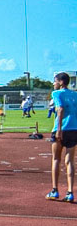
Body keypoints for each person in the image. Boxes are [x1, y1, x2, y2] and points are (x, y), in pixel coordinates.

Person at [47, 72, 77, 202]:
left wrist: (58, 129)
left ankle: (55, 190)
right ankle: (70, 192)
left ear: (60, 82)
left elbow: (60, 109)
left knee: (56, 159)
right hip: (74, 129)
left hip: (62, 128)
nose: (54, 84)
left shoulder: (57, 94)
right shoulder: (75, 95)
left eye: (55, 81)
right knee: (70, 160)